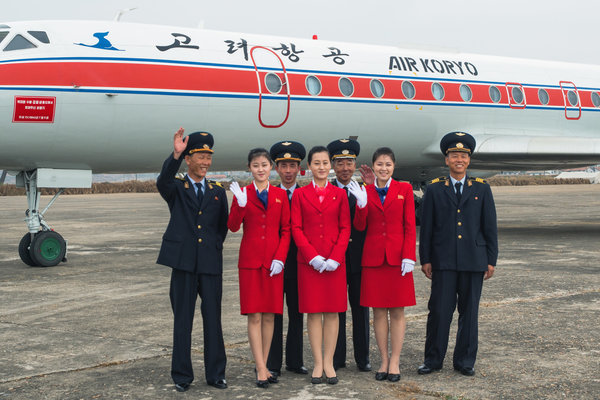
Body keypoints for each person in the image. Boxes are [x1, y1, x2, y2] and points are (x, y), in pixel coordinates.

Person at [418, 132, 498, 377]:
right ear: (446, 160)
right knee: (440, 312)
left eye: (463, 155)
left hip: (474, 260)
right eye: (454, 155)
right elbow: (428, 228)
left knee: (469, 313)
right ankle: (432, 360)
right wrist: (426, 259)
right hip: (443, 262)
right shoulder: (434, 190)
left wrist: (491, 260)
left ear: (469, 160)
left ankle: (465, 361)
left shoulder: (482, 190)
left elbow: (489, 227)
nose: (459, 159)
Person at [156, 128, 229, 392]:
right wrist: (174, 155)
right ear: (188, 159)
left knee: (213, 320)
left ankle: (216, 374)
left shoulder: (218, 191)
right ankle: (182, 376)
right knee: (182, 321)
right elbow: (162, 180)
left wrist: (212, 248)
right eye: (200, 157)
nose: (206, 163)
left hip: (210, 264)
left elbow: (221, 227)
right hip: (184, 264)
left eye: (208, 157)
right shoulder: (176, 187)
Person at [351, 147, 417, 382]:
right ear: (374, 166)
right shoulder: (364, 190)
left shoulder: (404, 189)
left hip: (398, 259)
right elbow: (359, 226)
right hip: (374, 259)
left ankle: (396, 361)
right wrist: (360, 205)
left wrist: (410, 255)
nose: (384, 168)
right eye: (379, 164)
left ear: (393, 167)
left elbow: (410, 225)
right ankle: (383, 360)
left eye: (388, 164)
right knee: (378, 313)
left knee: (397, 312)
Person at [228, 148, 291, 388]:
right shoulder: (242, 194)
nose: (261, 169)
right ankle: (261, 368)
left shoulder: (280, 195)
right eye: (256, 166)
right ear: (249, 168)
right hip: (251, 263)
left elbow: (286, 230)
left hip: (274, 263)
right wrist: (240, 206)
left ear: (271, 167)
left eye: (264, 165)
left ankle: (263, 365)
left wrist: (280, 258)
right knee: (254, 315)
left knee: (270, 316)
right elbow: (233, 227)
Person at [291, 146, 351, 384]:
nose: (322, 167)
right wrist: (311, 256)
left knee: (333, 313)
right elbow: (296, 227)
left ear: (331, 165)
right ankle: (317, 362)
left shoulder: (340, 194)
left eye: (325, 163)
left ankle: (329, 362)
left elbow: (345, 227)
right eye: (317, 163)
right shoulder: (299, 195)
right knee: (314, 313)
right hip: (310, 264)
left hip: (335, 263)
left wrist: (335, 257)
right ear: (309, 167)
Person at [326, 139, 371, 373]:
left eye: (349, 163)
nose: (345, 168)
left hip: (359, 258)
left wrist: (370, 193)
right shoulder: (327, 190)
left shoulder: (364, 189)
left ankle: (363, 358)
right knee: (336, 309)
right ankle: (337, 357)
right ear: (333, 165)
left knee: (361, 309)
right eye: (340, 163)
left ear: (355, 165)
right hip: (335, 259)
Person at [267, 141, 309, 377]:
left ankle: (295, 361)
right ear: (276, 168)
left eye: (292, 165)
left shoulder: (305, 194)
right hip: (274, 263)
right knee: (274, 314)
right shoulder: (270, 194)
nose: (288, 171)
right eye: (283, 166)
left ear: (299, 168)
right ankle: (272, 363)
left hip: (299, 263)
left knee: (296, 314)